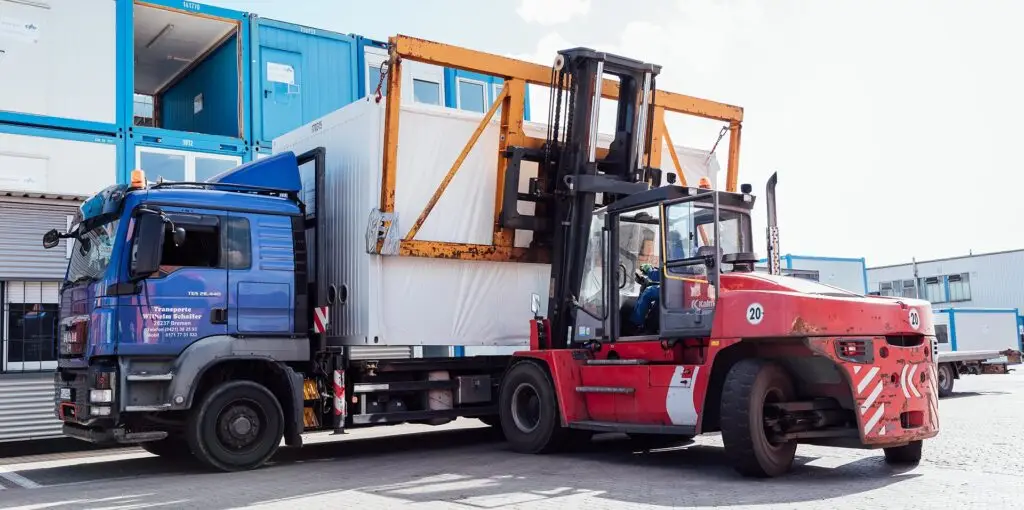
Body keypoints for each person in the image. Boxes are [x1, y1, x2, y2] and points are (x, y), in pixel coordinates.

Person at [630, 263, 661, 332]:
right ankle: (649, 325)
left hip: (671, 288)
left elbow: (659, 275)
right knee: (656, 304)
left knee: (648, 292)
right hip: (672, 285)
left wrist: (649, 270)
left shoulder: (673, 258)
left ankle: (635, 324)